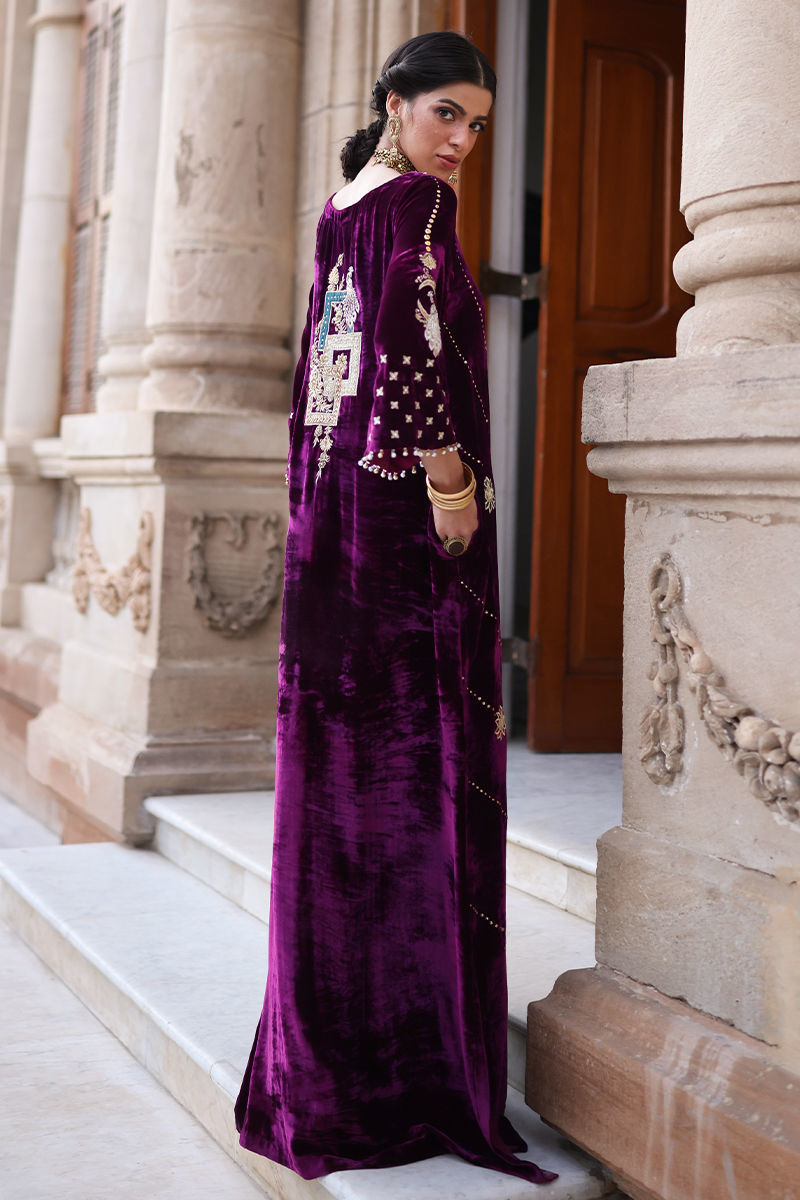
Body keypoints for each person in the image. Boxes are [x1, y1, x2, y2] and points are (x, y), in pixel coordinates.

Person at [234, 30, 558, 1187]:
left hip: (328, 516)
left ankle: (329, 1062)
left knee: (340, 784)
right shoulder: (414, 202)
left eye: (476, 123)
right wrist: (451, 490)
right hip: (394, 525)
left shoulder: (342, 205)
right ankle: (404, 1073)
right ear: (394, 102)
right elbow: (407, 357)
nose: (461, 140)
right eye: (445, 114)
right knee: (405, 780)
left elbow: (325, 374)